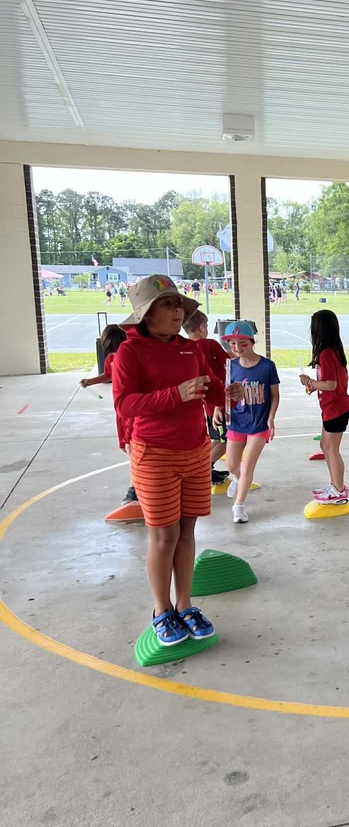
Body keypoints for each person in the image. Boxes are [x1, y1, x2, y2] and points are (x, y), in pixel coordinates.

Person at [112, 275, 242, 646]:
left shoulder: (190, 349)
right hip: (153, 453)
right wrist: (175, 395)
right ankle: (161, 609)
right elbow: (124, 404)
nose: (177, 311)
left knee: (187, 532)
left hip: (196, 450)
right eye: (167, 305)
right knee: (163, 534)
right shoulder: (130, 352)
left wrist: (223, 393)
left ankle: (185, 605)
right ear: (145, 314)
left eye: (177, 304)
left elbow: (205, 387)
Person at [215, 321, 280, 525]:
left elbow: (275, 395)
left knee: (247, 467)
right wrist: (218, 408)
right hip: (236, 422)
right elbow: (223, 393)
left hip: (259, 424)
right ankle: (238, 479)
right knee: (233, 464)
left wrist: (271, 418)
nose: (236, 347)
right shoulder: (230, 366)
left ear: (251, 342)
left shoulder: (267, 366)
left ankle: (239, 506)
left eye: (241, 342)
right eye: (231, 343)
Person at [79, 324, 136, 508]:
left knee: (133, 451)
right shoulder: (112, 358)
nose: (115, 351)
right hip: (120, 413)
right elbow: (108, 375)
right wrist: (90, 381)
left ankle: (134, 490)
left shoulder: (133, 357)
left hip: (132, 412)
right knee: (127, 448)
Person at [300, 310, 349, 503]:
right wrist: (315, 386)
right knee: (325, 445)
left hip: (336, 408)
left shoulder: (326, 353)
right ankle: (334, 485)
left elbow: (331, 385)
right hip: (333, 406)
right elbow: (331, 382)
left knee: (332, 449)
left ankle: (339, 490)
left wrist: (310, 382)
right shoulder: (333, 351)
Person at [183, 309, 231, 486]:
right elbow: (229, 364)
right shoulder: (209, 344)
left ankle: (203, 467)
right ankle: (204, 469)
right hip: (220, 401)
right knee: (227, 440)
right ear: (202, 327)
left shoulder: (185, 348)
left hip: (204, 402)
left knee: (217, 439)